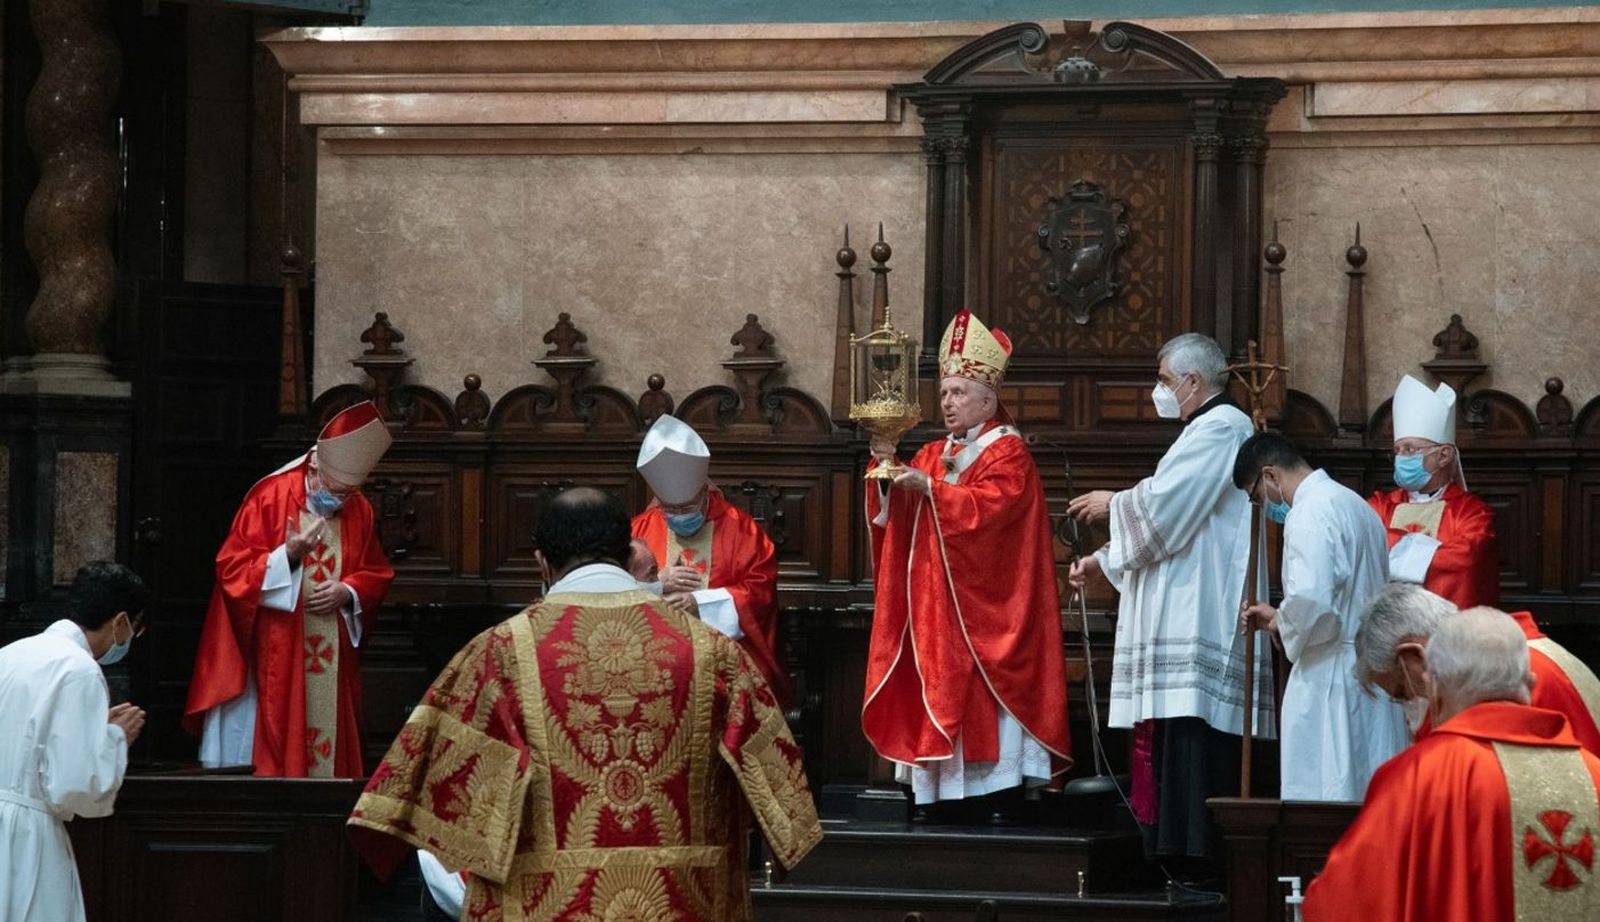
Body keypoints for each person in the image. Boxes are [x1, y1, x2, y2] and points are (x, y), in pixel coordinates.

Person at [348, 487, 821, 921]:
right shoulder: (713, 652)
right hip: (683, 902)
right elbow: (785, 801)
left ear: (542, 564)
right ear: (627, 553)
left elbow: (436, 797)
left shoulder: (498, 654)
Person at [1068, 332, 1272, 860]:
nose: (1157, 391)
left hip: (1201, 606)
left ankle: (1194, 853)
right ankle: (1171, 848)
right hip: (1182, 599)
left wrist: (1113, 501)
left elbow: (1166, 508)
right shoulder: (1201, 428)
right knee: (1176, 728)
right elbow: (1168, 520)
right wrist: (1104, 560)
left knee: (1195, 732)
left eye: (1163, 381)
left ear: (1193, 381)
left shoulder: (1223, 428)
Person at [864, 309, 1070, 818]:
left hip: (986, 611)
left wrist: (930, 490)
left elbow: (993, 513)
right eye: (944, 394)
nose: (947, 402)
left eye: (958, 393)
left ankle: (994, 793)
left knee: (984, 691)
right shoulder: (934, 451)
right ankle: (936, 797)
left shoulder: (1009, 456)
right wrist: (885, 469)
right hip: (936, 612)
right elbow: (897, 519)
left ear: (988, 398)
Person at [1303, 608, 1600, 921]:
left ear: (1435, 685)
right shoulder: (1592, 775)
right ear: (1530, 680)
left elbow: (1343, 903)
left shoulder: (1420, 777)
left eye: (1405, 694)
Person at [184, 400, 396, 777]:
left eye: (348, 493)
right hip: (276, 646)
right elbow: (231, 570)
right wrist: (289, 556)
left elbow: (375, 571)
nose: (339, 501)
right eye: (334, 489)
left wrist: (348, 592)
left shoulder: (358, 509)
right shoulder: (269, 497)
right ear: (314, 463)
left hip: (330, 650)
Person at [1234, 433, 1407, 801]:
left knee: (1330, 796)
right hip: (1370, 667)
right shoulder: (1356, 505)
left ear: (1271, 476)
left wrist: (1282, 621)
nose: (1263, 506)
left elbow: (1313, 601)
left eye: (1257, 495)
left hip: (1331, 674)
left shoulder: (1308, 513)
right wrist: (1281, 615)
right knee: (1370, 789)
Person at [0, 561, 148, 922]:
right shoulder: (79, 669)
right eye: (135, 629)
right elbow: (75, 788)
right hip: (26, 837)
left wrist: (91, 734)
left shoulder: (11, 653)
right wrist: (113, 740)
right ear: (121, 622)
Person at [631, 414, 792, 707]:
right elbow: (611, 587)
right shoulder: (639, 530)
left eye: (688, 505)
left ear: (705, 490)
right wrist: (658, 583)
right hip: (652, 656)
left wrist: (701, 605)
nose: (679, 514)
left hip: (726, 657)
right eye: (670, 508)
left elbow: (761, 592)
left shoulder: (742, 530)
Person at [1355, 582, 1600, 753]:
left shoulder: (1495, 680)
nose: (1411, 709)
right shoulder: (1517, 651)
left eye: (1403, 692)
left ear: (1414, 655)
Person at [1368, 374, 1498, 609]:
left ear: (1444, 455)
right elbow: (1362, 547)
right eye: (1397, 450)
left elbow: (1464, 561)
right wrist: (1425, 551)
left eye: (1410, 449)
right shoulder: (1379, 505)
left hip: (1442, 628)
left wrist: (1393, 545)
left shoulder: (1471, 513)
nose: (1401, 458)